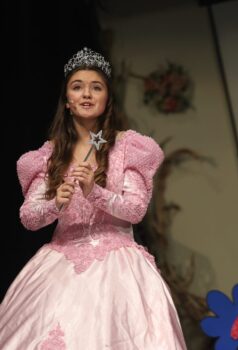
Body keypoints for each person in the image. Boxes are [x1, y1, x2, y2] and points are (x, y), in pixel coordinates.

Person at [0, 47, 187, 349]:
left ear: (107, 98)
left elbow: (136, 209)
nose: (86, 94)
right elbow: (28, 217)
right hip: (59, 266)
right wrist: (55, 204)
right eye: (77, 87)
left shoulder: (127, 147)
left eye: (96, 87)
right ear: (67, 101)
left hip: (118, 268)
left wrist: (95, 192)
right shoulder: (49, 155)